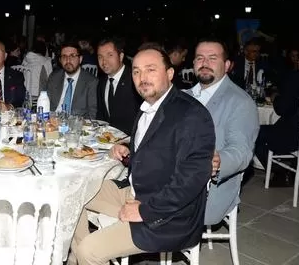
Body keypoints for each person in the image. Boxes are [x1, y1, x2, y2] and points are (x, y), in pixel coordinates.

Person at [69, 43, 215, 265]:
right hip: (136, 192)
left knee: (89, 251)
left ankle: (85, 256)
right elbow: (156, 146)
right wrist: (128, 147)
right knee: (73, 193)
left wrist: (145, 211)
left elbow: (190, 180)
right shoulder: (148, 107)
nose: (142, 77)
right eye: (136, 71)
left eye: (150, 69)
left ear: (170, 73)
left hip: (168, 216)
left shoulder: (192, 115)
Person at [188, 39, 259, 225]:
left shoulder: (240, 102)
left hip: (210, 189)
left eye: (212, 58)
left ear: (227, 65)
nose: (204, 63)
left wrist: (219, 161)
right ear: (194, 63)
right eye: (200, 58)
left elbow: (241, 150)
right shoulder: (183, 97)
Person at [96, 37, 141, 135]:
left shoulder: (135, 79)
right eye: (100, 57)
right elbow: (101, 116)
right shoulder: (101, 82)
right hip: (107, 139)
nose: (104, 61)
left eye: (110, 55)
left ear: (121, 56)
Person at [45, 42, 98, 118]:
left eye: (72, 56)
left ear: (80, 59)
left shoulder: (91, 82)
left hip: (76, 122)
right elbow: (45, 102)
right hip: (52, 120)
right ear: (60, 60)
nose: (68, 60)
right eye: (64, 56)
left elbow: (92, 114)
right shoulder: (54, 77)